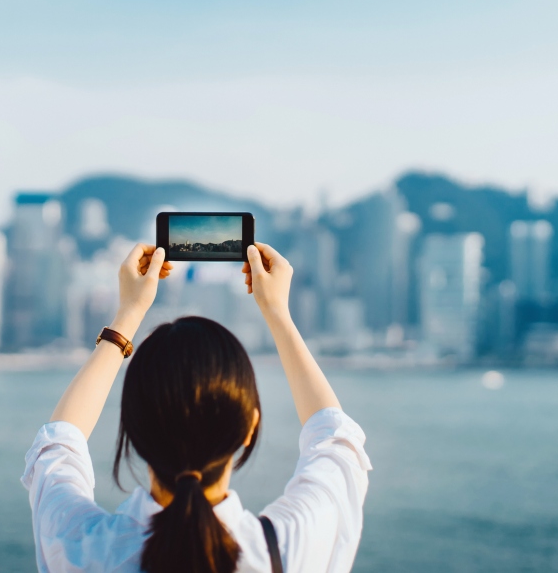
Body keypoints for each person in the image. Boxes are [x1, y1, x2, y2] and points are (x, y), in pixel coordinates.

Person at [22, 242, 372, 573]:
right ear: (250, 426)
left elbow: (59, 444)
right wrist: (278, 311)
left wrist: (128, 312)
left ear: (130, 428)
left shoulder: (84, 550)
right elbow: (336, 441)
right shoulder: (287, 548)